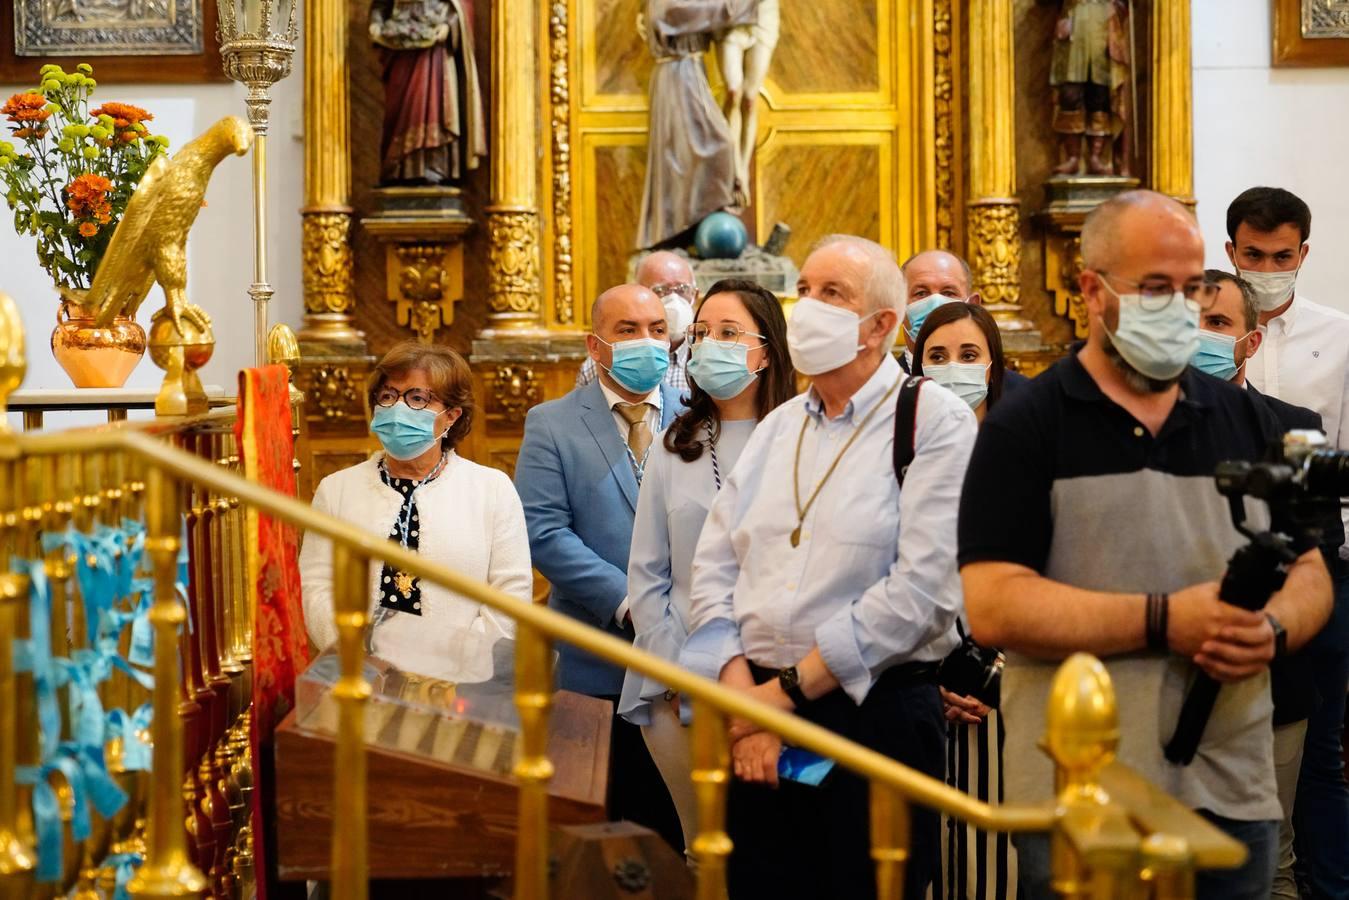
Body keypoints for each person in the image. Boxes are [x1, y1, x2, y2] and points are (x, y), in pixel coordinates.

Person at [959, 190, 1333, 900]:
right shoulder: (1025, 426)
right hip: (1080, 796)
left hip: (1227, 785)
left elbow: (1308, 566)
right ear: (1091, 291)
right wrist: (1163, 619)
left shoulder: (1245, 417)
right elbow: (993, 604)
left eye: (1191, 288)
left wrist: (1273, 627)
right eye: (1154, 288)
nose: (1179, 307)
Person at [680, 234, 976, 899]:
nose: (807, 306)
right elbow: (715, 564)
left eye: (831, 294)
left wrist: (776, 698)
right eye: (805, 290)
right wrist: (740, 694)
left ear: (878, 326)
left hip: (872, 715)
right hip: (751, 718)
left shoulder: (934, 421)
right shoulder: (779, 425)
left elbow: (921, 591)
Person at [619, 278, 796, 852]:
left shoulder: (800, 437)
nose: (708, 344)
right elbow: (647, 571)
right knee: (703, 850)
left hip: (777, 681)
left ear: (766, 350)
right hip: (677, 680)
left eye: (727, 332)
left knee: (773, 855)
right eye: (699, 333)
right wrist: (673, 668)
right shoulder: (676, 441)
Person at [514, 283, 687, 852]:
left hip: (689, 663)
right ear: (595, 345)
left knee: (682, 835)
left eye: (657, 330)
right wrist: (628, 602)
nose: (647, 342)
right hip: (599, 663)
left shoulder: (698, 417)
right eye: (627, 331)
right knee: (611, 841)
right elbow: (543, 533)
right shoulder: (552, 423)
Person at [1196, 268, 1338, 900]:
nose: (1197, 335)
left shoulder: (1294, 427)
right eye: (1185, 322)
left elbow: (1321, 548)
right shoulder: (1132, 428)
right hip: (1162, 678)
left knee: (1267, 864)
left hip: (1272, 681)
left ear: (1250, 343)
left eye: (1217, 323)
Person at [1224, 186, 1349, 900]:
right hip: (1231, 574)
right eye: (1252, 254)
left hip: (1322, 566)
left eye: (1280, 256)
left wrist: (1331, 571)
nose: (1266, 267)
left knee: (1320, 756)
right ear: (1230, 250)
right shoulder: (1209, 338)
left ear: (1302, 254)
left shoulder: (1338, 337)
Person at [300, 342, 528, 681]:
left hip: (458, 683)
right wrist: (355, 652)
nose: (398, 409)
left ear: (452, 415)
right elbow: (316, 585)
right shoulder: (337, 490)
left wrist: (457, 663)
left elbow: (511, 593)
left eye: (418, 399)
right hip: (357, 677)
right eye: (389, 396)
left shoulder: (492, 489)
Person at [911, 300, 1018, 898]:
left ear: (994, 369)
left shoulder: (1025, 460)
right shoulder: (893, 462)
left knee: (989, 871)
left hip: (1003, 695)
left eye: (969, 355)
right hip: (913, 688)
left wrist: (993, 670)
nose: (953, 368)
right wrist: (928, 675)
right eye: (938, 356)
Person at [637, 0, 755, 249]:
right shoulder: (667, 5)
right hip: (679, 76)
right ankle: (683, 225)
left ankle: (689, 222)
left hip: (686, 72)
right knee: (714, 145)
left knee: (682, 156)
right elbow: (717, 11)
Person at [899, 249, 1028, 391]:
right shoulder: (880, 394)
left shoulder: (1022, 394)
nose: (935, 305)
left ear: (973, 305)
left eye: (948, 292)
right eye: (921, 293)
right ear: (898, 307)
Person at [577, 250, 693, 393]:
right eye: (661, 290)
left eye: (683, 289)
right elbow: (581, 411)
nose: (674, 299)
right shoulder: (601, 364)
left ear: (695, 293)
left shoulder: (706, 361)